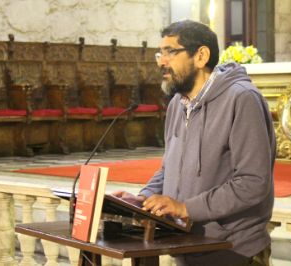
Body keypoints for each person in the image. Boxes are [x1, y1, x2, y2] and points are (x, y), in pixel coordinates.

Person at [113, 20, 276, 266]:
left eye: (171, 52)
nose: (161, 61)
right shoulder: (178, 104)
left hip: (234, 250)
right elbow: (169, 170)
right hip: (189, 245)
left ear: (201, 56)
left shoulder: (242, 99)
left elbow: (253, 182)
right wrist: (142, 200)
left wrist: (186, 208)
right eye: (160, 53)